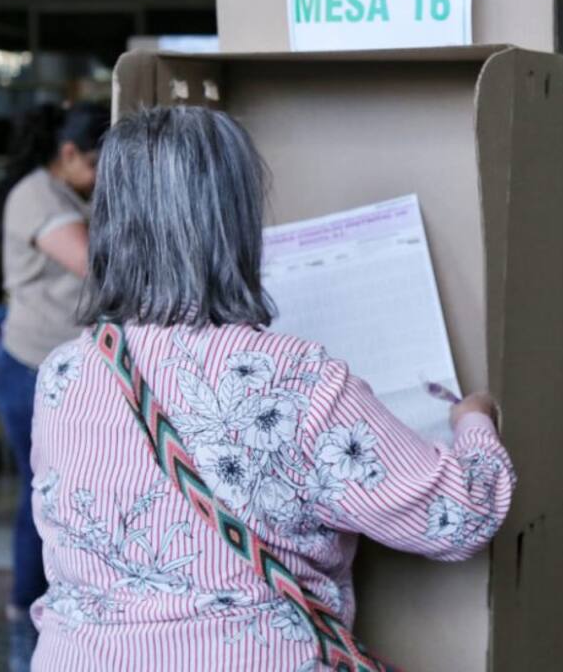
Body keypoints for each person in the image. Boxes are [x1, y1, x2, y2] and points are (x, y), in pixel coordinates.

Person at [28, 106, 515, 670]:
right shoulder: (294, 378)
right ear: (234, 220)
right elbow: (458, 516)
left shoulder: (63, 373)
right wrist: (474, 420)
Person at [0, 101, 109, 672]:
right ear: (68, 154)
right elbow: (93, 265)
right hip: (32, 370)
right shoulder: (37, 194)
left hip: (62, 372)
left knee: (59, 499)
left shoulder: (68, 193)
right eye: (98, 161)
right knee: (41, 503)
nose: (103, 173)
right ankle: (24, 632)